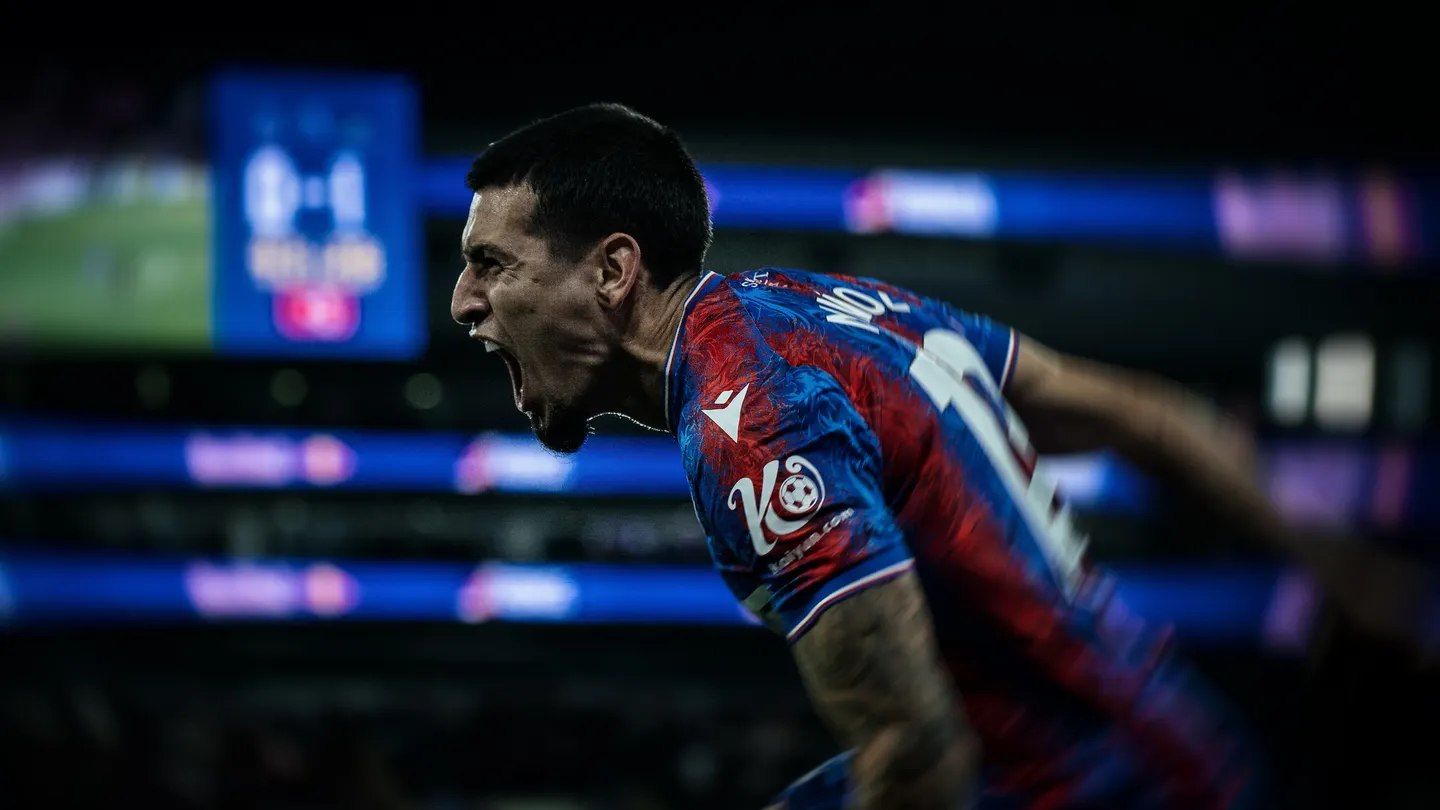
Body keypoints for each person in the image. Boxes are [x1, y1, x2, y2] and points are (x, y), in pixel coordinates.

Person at [450, 103, 1432, 809]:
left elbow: (918, 755)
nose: (463, 301)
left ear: (613, 273)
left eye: (491, 263)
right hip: (1166, 741)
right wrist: (1342, 573)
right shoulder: (828, 307)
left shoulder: (747, 421)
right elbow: (1152, 414)